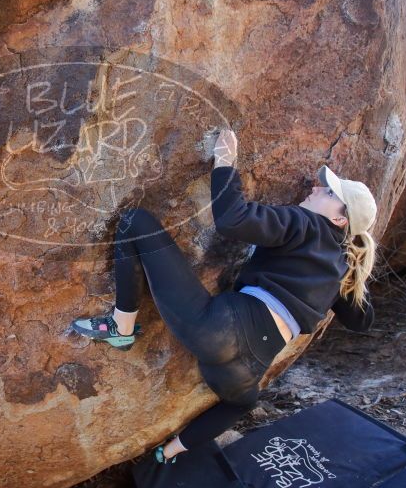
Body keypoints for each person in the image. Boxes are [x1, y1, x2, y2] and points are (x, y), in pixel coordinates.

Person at [70, 128, 378, 463]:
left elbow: (234, 220)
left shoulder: (305, 223)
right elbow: (362, 321)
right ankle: (169, 452)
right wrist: (350, 276)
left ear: (338, 218)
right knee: (242, 404)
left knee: (134, 221)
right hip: (244, 374)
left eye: (329, 192)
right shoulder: (337, 269)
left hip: (220, 331)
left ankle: (121, 327)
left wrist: (225, 161)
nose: (316, 187)